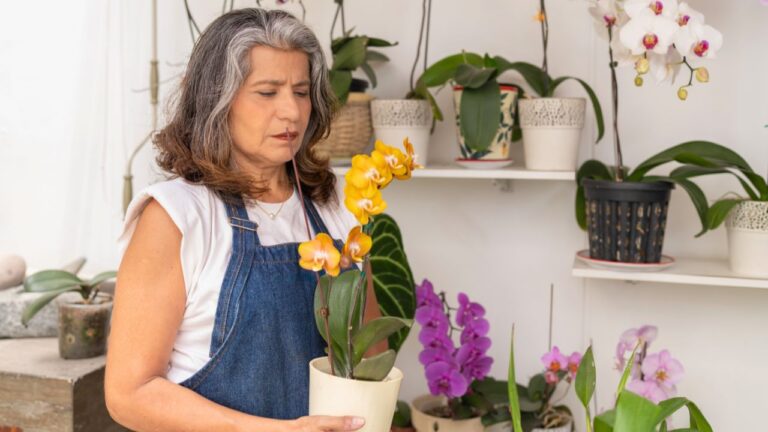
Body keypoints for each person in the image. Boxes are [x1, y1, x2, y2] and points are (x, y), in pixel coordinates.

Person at [105, 8, 381, 431]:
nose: (291, 112)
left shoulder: (336, 207)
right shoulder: (175, 216)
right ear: (217, 98)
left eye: (302, 92)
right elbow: (130, 393)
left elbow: (372, 355)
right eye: (267, 92)